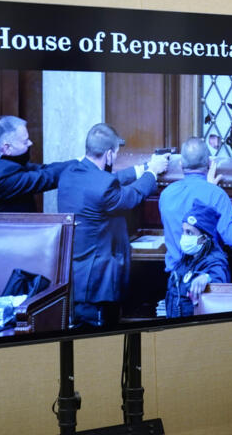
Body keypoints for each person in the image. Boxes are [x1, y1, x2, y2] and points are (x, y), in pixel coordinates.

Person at [57, 123, 169, 327]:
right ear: (108, 154)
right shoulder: (103, 186)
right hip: (98, 284)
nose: (116, 158)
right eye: (116, 153)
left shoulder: (70, 173)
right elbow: (131, 196)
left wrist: (142, 168)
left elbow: (107, 180)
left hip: (76, 278)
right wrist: (152, 173)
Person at [158, 137, 232, 275]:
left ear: (181, 164)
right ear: (209, 163)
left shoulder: (166, 194)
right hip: (207, 277)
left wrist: (209, 188)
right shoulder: (216, 195)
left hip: (175, 282)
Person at [0, 115, 77, 212]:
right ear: (7, 148)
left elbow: (41, 169)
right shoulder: (2, 178)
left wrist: (77, 161)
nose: (30, 143)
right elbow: (45, 178)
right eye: (25, 141)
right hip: (11, 226)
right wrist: (82, 163)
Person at [165, 199, 230, 318]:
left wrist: (206, 278)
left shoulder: (215, 260)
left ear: (204, 239)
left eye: (189, 233)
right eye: (183, 231)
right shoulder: (188, 257)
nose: (184, 237)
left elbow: (219, 277)